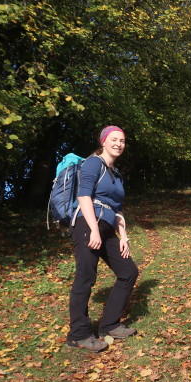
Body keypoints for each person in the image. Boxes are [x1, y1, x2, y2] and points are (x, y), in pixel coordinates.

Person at [66, 125, 139, 352]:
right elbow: (84, 196)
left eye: (123, 141)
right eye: (114, 139)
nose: (119, 144)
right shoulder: (93, 163)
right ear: (104, 141)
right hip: (87, 224)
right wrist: (94, 229)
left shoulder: (116, 173)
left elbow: (117, 209)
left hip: (107, 226)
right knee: (86, 277)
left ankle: (108, 325)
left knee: (128, 272)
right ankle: (78, 334)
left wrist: (123, 236)